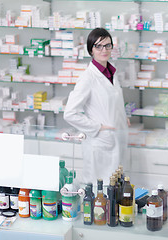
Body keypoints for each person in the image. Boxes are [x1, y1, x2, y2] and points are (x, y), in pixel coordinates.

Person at [64, 28, 128, 185]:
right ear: (91, 49)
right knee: (97, 191)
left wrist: (123, 117)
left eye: (107, 45)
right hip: (99, 142)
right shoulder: (88, 78)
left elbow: (112, 100)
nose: (104, 50)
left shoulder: (111, 72)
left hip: (115, 138)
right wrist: (97, 127)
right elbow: (70, 113)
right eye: (98, 46)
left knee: (114, 188)